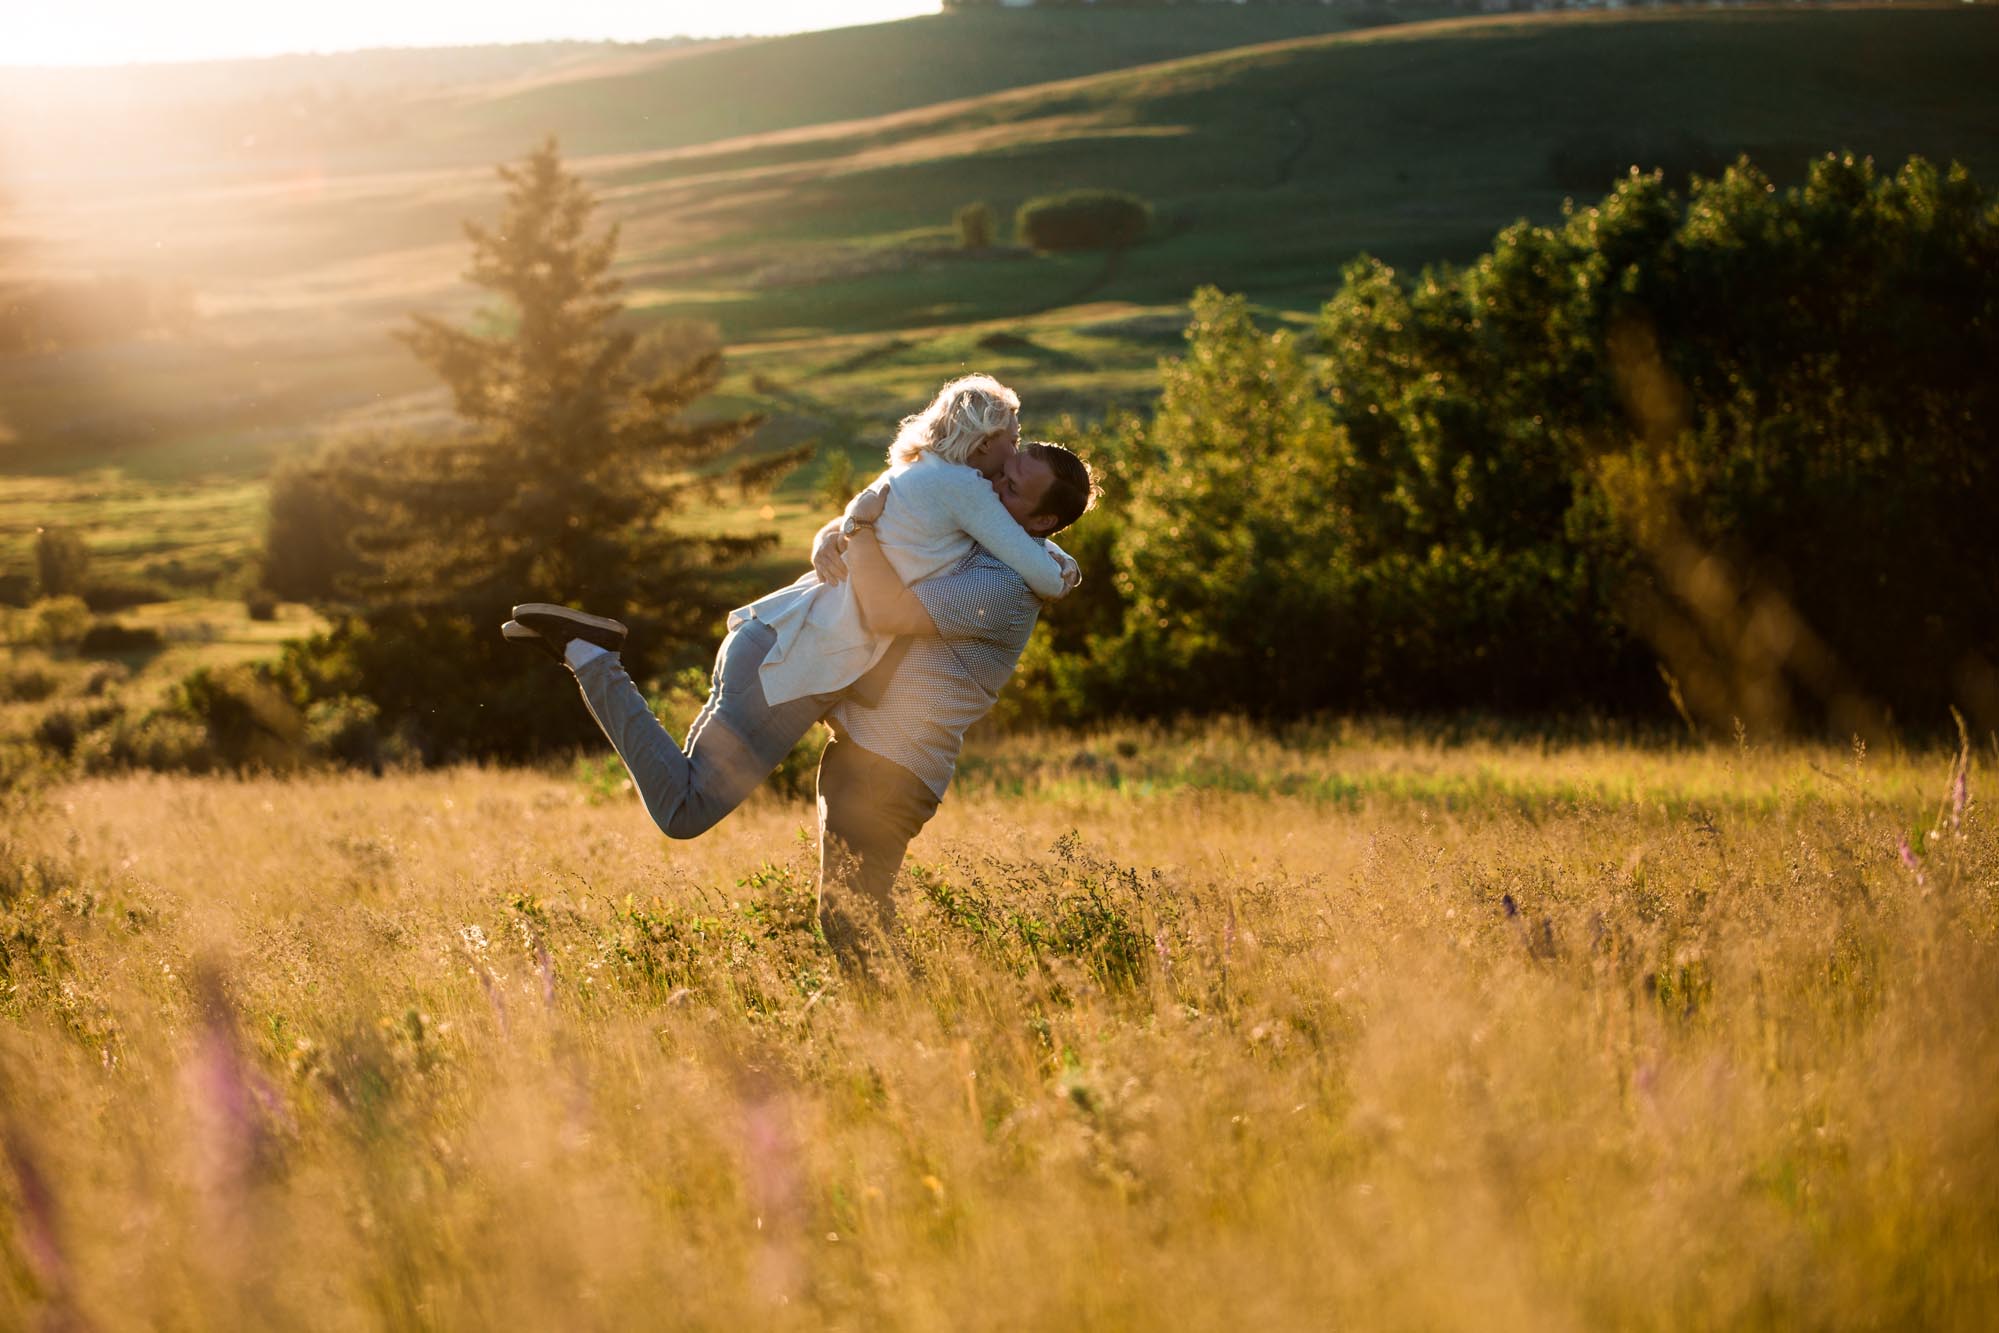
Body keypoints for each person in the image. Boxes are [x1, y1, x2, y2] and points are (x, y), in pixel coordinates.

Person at [502, 423, 1096, 960]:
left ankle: (909, 1037)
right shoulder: (983, 535)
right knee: (849, 923)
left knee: (849, 923)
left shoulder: (1004, 581)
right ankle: (589, 657)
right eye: (999, 473)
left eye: (1012, 491)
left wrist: (857, 525)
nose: (990, 489)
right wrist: (834, 531)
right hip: (853, 743)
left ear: (1042, 523)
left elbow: (887, 606)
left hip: (892, 767)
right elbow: (900, 524)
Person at [745, 373, 1078, 708]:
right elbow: (1043, 576)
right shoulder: (964, 487)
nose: (1014, 453)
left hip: (789, 626)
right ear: (986, 443)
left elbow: (862, 513)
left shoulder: (922, 466)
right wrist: (1064, 573)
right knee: (714, 762)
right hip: (801, 647)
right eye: (1014, 439)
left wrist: (828, 535)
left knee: (710, 758)